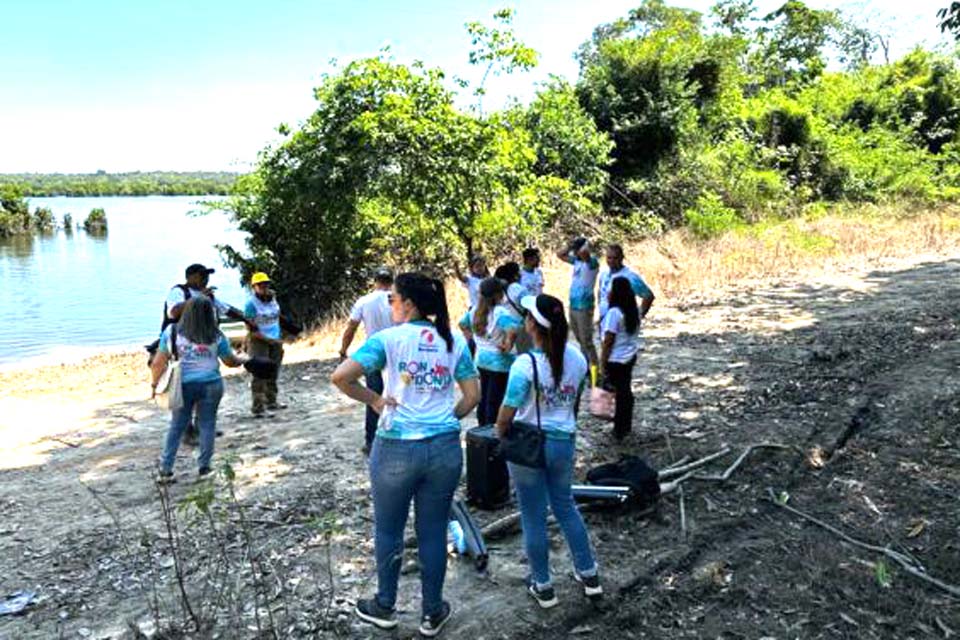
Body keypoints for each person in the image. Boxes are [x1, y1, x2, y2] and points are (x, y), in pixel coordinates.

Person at [331, 273, 480, 637]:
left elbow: (341, 377)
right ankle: (432, 612)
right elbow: (472, 396)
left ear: (409, 304)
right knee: (433, 531)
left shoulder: (388, 340)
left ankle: (385, 605)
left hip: (395, 449)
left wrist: (375, 400)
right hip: (444, 449)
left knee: (389, 530)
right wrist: (446, 419)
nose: (390, 304)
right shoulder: (453, 341)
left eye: (392, 299)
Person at [495, 294, 602, 609]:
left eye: (528, 316)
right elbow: (575, 399)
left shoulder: (525, 365)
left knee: (533, 516)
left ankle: (543, 585)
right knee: (566, 506)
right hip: (563, 442)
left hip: (530, 446)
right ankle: (589, 574)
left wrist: (500, 434)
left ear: (533, 325)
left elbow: (507, 411)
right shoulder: (578, 359)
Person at [150, 296, 249, 482]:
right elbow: (229, 361)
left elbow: (158, 363)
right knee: (207, 424)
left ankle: (165, 469)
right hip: (211, 383)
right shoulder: (216, 335)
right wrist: (243, 359)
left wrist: (155, 385)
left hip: (183, 385)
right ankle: (204, 468)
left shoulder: (172, 332)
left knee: (177, 426)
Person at [339, 267, 395, 454]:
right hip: (397, 350)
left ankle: (371, 440)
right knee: (399, 393)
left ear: (375, 281)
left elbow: (351, 328)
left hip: (373, 352)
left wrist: (343, 350)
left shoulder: (364, 301)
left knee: (373, 395)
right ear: (391, 281)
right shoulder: (398, 299)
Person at [458, 277, 521, 426]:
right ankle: (491, 429)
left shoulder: (474, 310)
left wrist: (473, 339)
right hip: (500, 363)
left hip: (481, 359)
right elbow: (512, 330)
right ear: (498, 294)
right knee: (496, 400)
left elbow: (462, 324)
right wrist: (508, 345)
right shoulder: (500, 312)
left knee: (485, 396)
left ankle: (481, 427)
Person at [600, 277, 642, 440]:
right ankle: (625, 425)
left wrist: (603, 362)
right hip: (629, 356)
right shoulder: (634, 311)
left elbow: (608, 341)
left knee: (617, 393)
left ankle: (619, 429)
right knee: (625, 391)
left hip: (615, 358)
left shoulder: (614, 313)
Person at [556, 237, 600, 375]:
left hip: (585, 306)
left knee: (587, 340)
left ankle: (595, 370)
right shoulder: (576, 261)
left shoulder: (592, 262)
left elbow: (585, 254)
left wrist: (583, 245)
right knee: (579, 338)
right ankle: (586, 367)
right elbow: (560, 254)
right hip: (574, 305)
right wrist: (570, 245)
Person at [244, 272, 285, 417]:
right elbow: (251, 329)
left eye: (266, 284)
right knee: (259, 374)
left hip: (275, 339)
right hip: (258, 341)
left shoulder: (273, 299)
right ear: (254, 287)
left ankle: (271, 401)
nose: (264, 287)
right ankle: (258, 407)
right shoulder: (251, 304)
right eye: (260, 285)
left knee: (273, 372)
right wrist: (268, 339)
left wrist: (279, 337)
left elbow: (277, 318)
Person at [597, 244, 655, 322]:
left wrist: (638, 317)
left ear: (622, 258)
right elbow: (601, 294)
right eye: (609, 258)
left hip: (621, 322)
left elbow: (648, 296)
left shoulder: (630, 277)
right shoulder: (604, 274)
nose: (611, 261)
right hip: (604, 321)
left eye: (615, 258)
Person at [495, 261, 530, 353]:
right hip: (522, 328)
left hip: (506, 329)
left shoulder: (499, 291)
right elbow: (529, 306)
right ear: (515, 275)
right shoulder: (516, 288)